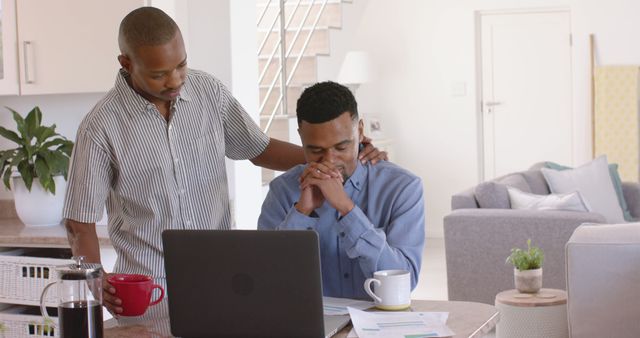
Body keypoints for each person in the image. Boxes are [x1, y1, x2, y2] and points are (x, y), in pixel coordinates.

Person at [62, 7, 385, 315]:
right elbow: (79, 222)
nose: (175, 81)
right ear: (126, 63)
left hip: (219, 280)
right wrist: (96, 279)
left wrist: (334, 155)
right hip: (150, 291)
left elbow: (260, 149)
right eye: (159, 74)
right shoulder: (100, 127)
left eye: (181, 66)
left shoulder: (208, 92)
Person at [258, 81, 425, 299]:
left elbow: (406, 282)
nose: (330, 160)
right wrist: (301, 213)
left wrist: (347, 209)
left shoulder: (403, 188)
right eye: (316, 150)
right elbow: (264, 281)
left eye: (342, 147)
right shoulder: (282, 192)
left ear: (361, 131)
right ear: (301, 138)